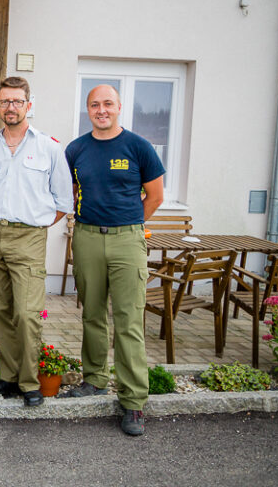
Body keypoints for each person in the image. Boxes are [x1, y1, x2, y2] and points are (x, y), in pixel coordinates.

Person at [62, 84, 165, 436]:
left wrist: (129, 225)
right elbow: (69, 192)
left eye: (108, 103)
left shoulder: (138, 146)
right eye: (95, 104)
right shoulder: (76, 149)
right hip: (87, 237)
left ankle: (133, 400)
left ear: (119, 106)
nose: (101, 110)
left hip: (127, 240)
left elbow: (155, 196)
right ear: (87, 109)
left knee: (128, 320)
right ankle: (94, 379)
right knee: (91, 313)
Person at [0, 77, 73, 407]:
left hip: (28, 237)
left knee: (27, 313)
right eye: (5, 101)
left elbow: (64, 202)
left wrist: (36, 226)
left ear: (28, 105)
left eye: (17, 101)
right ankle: (9, 375)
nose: (11, 107)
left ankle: (29, 383)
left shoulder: (49, 147)